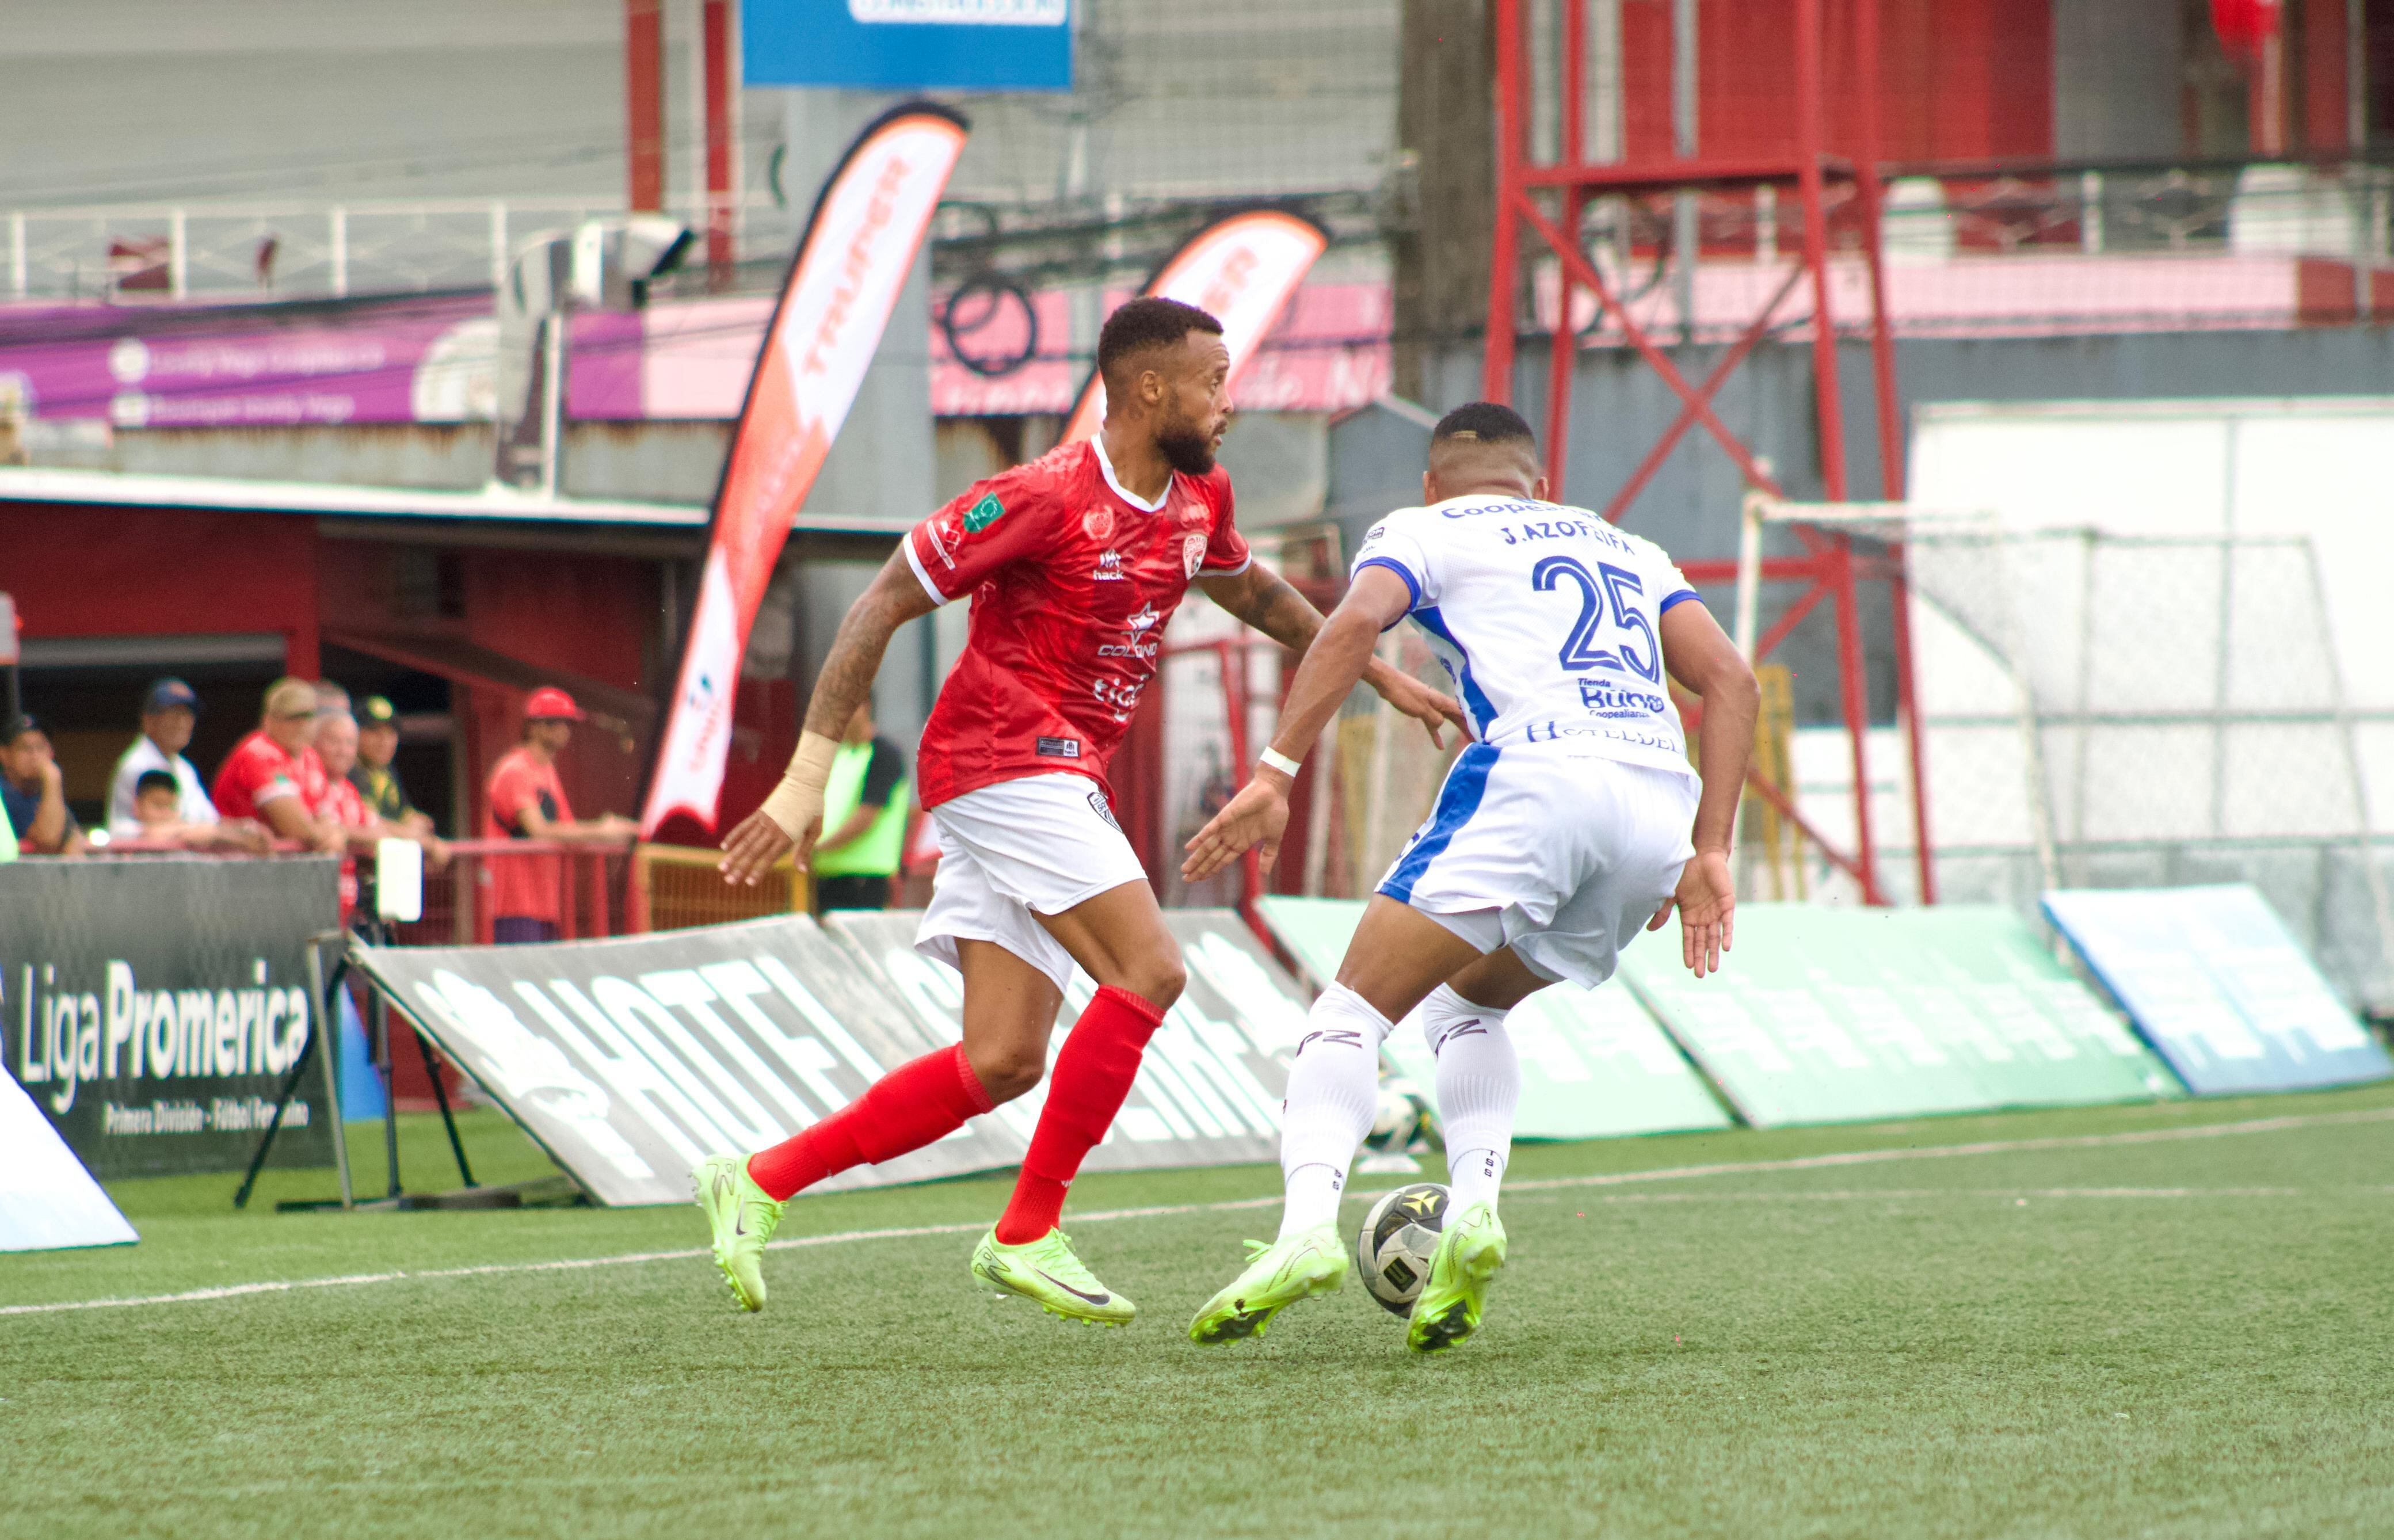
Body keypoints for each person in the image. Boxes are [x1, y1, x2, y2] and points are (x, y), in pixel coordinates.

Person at [699, 296, 1463, 1322]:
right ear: (1151, 389)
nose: (1227, 403)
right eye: (1212, 382)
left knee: (1003, 1060)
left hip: (1053, 777)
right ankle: (1026, 1231)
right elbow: (882, 598)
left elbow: (1261, 598)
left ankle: (758, 1179)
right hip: (1001, 757)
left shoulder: (1200, 498)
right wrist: (804, 782)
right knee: (1152, 969)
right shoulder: (1042, 496)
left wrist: (1379, 674)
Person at [1177, 403, 1758, 1354]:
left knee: (1348, 1015)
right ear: (1541, 484)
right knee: (1465, 1010)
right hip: (1655, 806)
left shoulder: (1422, 529)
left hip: (1537, 778)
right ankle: (1473, 1213)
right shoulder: (1629, 547)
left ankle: (1303, 1233)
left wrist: (1276, 771)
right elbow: (1732, 682)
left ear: (1432, 483)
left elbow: (1354, 623)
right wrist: (1712, 851)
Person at [480, 686, 636, 944]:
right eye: (557, 723)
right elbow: (539, 830)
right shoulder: (515, 770)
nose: (565, 731)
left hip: (546, 905)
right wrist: (601, 831)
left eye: (568, 724)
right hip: (514, 905)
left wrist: (609, 831)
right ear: (536, 727)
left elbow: (567, 827)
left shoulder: (546, 769)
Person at [106, 679, 269, 852]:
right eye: (174, 713)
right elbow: (170, 830)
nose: (183, 722)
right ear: (149, 721)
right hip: (139, 865)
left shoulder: (184, 767)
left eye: (188, 714)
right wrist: (229, 835)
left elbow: (208, 821)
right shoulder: (139, 764)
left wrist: (244, 829)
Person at [214, 678, 340, 852]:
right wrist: (329, 837)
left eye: (309, 717)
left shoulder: (310, 756)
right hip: (238, 863)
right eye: (293, 718)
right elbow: (295, 828)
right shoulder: (259, 751)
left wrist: (336, 833)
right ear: (268, 721)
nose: (303, 725)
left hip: (279, 866)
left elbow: (328, 815)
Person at [809, 700, 910, 913]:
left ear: (864, 707)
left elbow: (865, 818)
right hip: (826, 876)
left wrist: (816, 848)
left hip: (865, 879)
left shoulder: (883, 754)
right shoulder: (837, 755)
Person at [1, 715, 87, 855]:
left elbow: (73, 838)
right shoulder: (4, 793)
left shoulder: (45, 795)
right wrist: (53, 778)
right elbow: (48, 839)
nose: (34, 756)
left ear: (51, 753)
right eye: (25, 748)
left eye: (40, 748)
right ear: (4, 754)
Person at [350, 695, 435, 837]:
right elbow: (367, 820)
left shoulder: (386, 771)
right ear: (356, 733)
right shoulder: (349, 770)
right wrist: (411, 834)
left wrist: (418, 822)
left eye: (390, 733)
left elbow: (404, 813)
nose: (385, 742)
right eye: (376, 732)